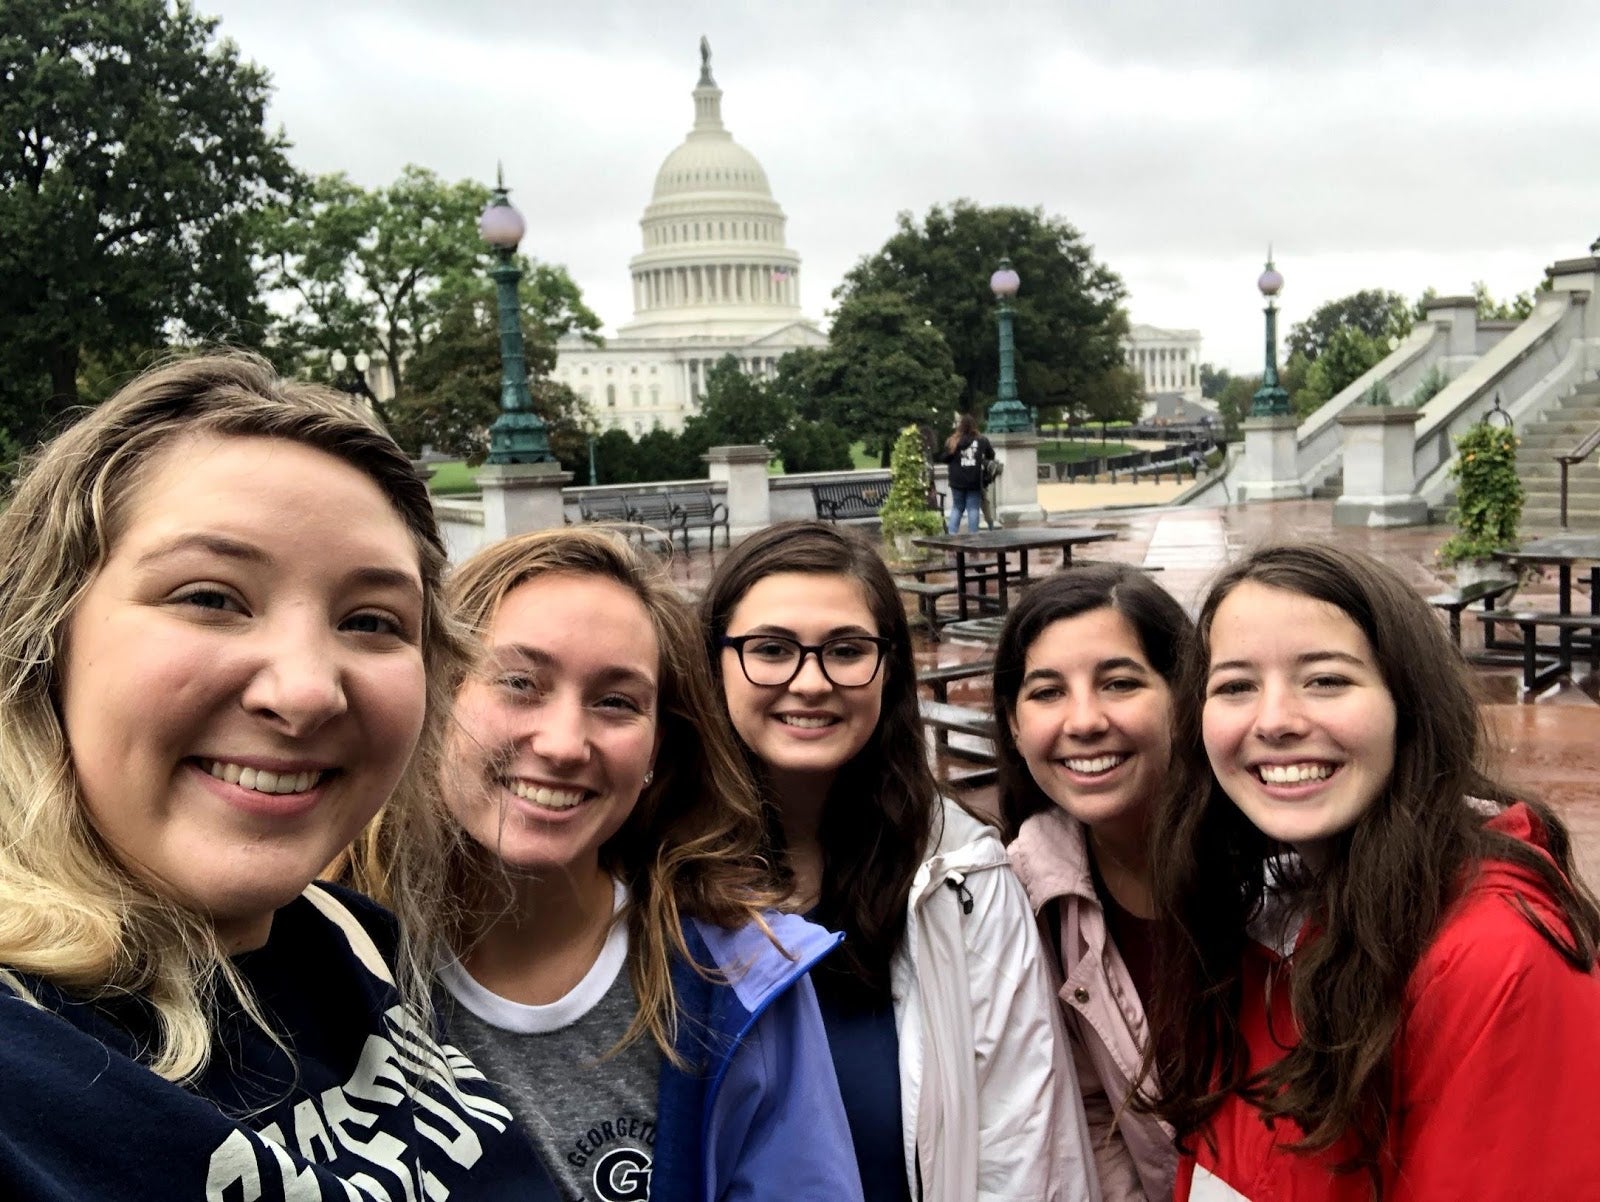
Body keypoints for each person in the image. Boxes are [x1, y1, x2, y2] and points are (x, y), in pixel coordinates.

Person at [0, 353, 556, 1198]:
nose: (305, 690)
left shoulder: (349, 941)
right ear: (44, 639)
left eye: (371, 620)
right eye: (211, 597)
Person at [348, 528, 863, 1202]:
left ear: (657, 751)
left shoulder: (738, 978)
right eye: (520, 683)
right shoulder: (311, 959)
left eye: (616, 701)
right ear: (435, 698)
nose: (564, 744)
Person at [1147, 543, 1600, 1201]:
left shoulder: (1492, 958)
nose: (1274, 721)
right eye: (1236, 685)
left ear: (1406, 703)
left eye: (1326, 679)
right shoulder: (1261, 910)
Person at [701, 521, 1097, 1202]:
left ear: (890, 668)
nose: (811, 681)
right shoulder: (649, 874)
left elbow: (1023, 1151)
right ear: (713, 663)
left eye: (847, 650)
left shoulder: (961, 875)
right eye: (770, 649)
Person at [994, 564, 1192, 1201]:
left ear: (1187, 695)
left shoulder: (1283, 865)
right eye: (1047, 692)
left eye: (1120, 682)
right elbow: (1095, 1111)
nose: (1083, 720)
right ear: (1014, 723)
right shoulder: (1026, 894)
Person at [942, 414, 995, 534]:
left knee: (957, 508)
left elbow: (944, 458)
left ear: (960, 426)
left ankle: (952, 536)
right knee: (973, 509)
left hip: (956, 480)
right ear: (974, 426)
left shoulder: (953, 441)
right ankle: (973, 537)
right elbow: (991, 455)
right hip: (974, 480)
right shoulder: (982, 440)